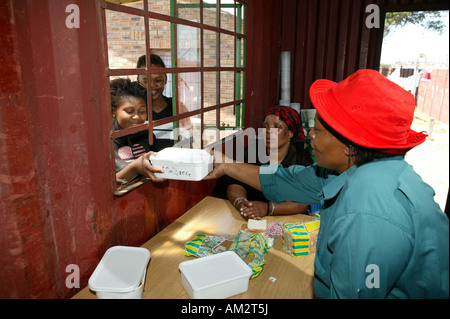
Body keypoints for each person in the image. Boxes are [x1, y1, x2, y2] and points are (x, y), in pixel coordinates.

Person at [205, 69, 449, 299]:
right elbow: (284, 179)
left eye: (318, 130)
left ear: (349, 146)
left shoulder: (369, 210)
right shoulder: (348, 169)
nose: (309, 135)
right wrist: (226, 165)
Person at [227, 105, 314, 220]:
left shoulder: (301, 160)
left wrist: (268, 208)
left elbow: (303, 202)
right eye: (265, 126)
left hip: (288, 220)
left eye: (277, 127)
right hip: (251, 217)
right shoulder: (252, 152)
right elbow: (235, 182)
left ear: (290, 134)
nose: (269, 131)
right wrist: (241, 202)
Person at [111, 78, 164, 183]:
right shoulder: (106, 142)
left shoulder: (147, 135)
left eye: (142, 111)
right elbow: (104, 185)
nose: (137, 117)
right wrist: (134, 168)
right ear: (113, 111)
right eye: (130, 111)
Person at [136, 54, 192, 150]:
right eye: (146, 81)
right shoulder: (134, 111)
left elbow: (188, 143)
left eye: (158, 80)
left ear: (165, 79)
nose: (152, 85)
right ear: (138, 81)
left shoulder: (178, 107)